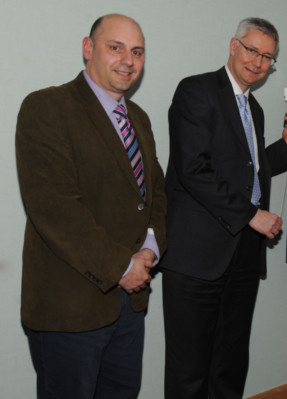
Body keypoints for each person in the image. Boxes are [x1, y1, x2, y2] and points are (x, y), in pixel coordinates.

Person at [15, 14, 167, 399]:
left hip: (129, 305)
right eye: (115, 47)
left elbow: (155, 195)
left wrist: (150, 249)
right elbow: (55, 209)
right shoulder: (47, 107)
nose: (127, 60)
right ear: (88, 48)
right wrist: (120, 267)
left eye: (137, 52)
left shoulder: (139, 119)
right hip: (70, 309)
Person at [160, 17, 287, 399]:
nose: (258, 62)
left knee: (230, 364)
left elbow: (247, 172)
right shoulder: (196, 90)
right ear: (233, 46)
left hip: (241, 254)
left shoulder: (253, 109)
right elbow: (193, 169)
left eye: (268, 57)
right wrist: (252, 215)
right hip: (196, 259)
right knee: (189, 371)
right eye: (252, 50)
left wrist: (286, 146)